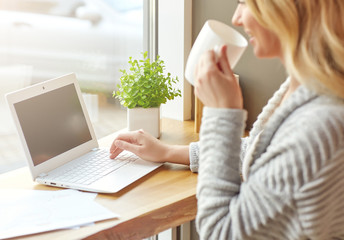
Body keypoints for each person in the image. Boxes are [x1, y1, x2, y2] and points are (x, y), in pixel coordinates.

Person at [110, 0, 344, 239]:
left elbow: (221, 232)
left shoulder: (322, 125)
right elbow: (267, 154)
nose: (236, 18)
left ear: (288, 7)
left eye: (244, 3)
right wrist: (169, 152)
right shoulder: (313, 86)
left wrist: (222, 113)